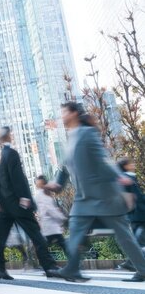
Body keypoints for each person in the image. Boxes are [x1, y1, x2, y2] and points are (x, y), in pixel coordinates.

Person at [50, 102, 145, 282]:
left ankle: (143, 269)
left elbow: (102, 159)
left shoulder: (87, 133)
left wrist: (118, 176)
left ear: (74, 113)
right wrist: (57, 184)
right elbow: (66, 166)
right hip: (84, 197)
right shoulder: (71, 137)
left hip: (105, 195)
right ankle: (72, 269)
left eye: (64, 112)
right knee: (76, 229)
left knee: (124, 235)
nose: (61, 116)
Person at [0, 126, 59, 280]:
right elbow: (17, 177)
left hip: (6, 205)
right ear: (8, 136)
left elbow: (2, 178)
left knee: (0, 235)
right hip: (16, 203)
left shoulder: (4, 154)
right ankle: (49, 266)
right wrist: (24, 197)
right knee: (34, 233)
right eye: (11, 134)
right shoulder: (11, 153)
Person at [116, 158, 145, 272]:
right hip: (140, 214)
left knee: (139, 240)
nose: (133, 164)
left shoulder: (123, 178)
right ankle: (132, 263)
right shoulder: (128, 178)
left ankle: (130, 262)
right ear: (126, 166)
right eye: (131, 163)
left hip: (133, 215)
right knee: (140, 240)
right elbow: (137, 198)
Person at [34, 175, 68, 258]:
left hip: (50, 226)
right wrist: (62, 218)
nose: (37, 185)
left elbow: (50, 210)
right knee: (62, 244)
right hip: (50, 226)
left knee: (46, 246)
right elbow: (50, 210)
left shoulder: (43, 193)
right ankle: (74, 262)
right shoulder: (41, 194)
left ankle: (45, 263)